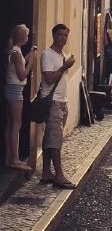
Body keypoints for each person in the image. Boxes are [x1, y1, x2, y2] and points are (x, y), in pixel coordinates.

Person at [40, 24, 76, 189]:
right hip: (53, 101)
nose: (63, 38)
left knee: (50, 138)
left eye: (65, 35)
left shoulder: (63, 54)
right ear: (53, 35)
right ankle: (59, 175)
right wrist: (64, 66)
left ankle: (47, 172)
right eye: (60, 35)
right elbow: (49, 78)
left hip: (62, 101)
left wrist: (66, 64)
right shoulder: (48, 55)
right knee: (55, 140)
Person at [3, 24, 37, 171]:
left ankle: (8, 157)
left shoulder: (16, 51)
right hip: (15, 90)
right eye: (27, 35)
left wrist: (30, 54)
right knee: (16, 126)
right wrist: (31, 62)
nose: (28, 38)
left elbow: (20, 63)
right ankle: (14, 159)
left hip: (10, 89)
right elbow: (22, 74)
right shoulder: (16, 53)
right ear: (22, 37)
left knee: (10, 125)